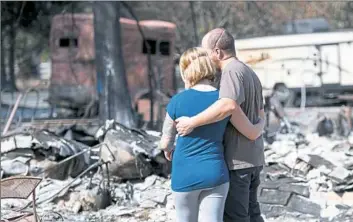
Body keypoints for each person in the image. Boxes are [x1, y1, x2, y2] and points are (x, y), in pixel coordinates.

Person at [159, 47, 264, 222]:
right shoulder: (224, 101)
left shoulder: (177, 101)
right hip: (216, 172)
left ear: (187, 72)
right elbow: (249, 131)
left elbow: (165, 142)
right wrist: (261, 121)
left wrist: (168, 148)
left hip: (184, 174)